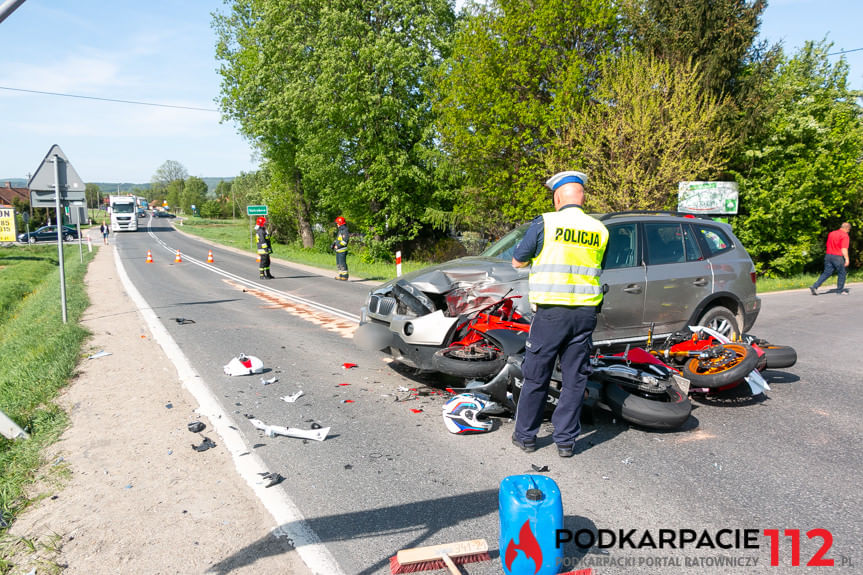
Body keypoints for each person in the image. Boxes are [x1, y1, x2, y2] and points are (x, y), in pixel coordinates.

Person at [510, 170, 609, 458]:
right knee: (575, 378)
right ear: (582, 197)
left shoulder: (547, 223)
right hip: (585, 313)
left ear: (557, 198)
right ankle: (565, 441)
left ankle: (526, 436)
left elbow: (518, 260)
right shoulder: (599, 230)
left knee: (536, 374)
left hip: (552, 312)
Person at [810, 222, 852, 295]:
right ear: (847, 228)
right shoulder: (844, 235)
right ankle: (839, 291)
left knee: (827, 273)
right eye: (849, 229)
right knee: (842, 273)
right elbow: (844, 248)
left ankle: (814, 286)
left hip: (828, 256)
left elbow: (827, 244)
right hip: (837, 256)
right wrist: (847, 259)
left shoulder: (832, 233)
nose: (849, 231)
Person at [332, 216, 349, 281]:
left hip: (342, 250)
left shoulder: (345, 231)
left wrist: (338, 246)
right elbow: (338, 239)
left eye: (337, 223)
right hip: (338, 250)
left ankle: (345, 276)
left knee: (342, 263)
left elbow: (345, 241)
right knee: (338, 264)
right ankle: (340, 275)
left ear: (340, 223)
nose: (337, 224)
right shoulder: (340, 231)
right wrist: (333, 244)